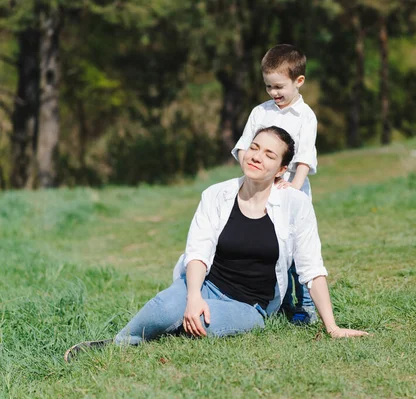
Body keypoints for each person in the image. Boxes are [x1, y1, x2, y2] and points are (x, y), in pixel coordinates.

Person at [64, 126, 367, 362]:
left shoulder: (295, 205)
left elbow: (312, 269)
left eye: (269, 155)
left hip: (251, 305)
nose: (257, 156)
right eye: (254, 147)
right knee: (162, 307)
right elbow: (198, 250)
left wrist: (332, 327)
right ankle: (117, 344)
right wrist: (194, 295)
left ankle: (171, 325)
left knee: (202, 327)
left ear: (281, 170)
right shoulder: (216, 195)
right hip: (206, 284)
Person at [232, 44, 318, 324]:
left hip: (291, 190)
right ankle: (277, 302)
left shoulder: (305, 117)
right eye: (269, 87)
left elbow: (304, 157)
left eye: (279, 86)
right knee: (271, 248)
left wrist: (293, 187)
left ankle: (305, 306)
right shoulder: (260, 113)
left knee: (296, 251)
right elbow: (244, 147)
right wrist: (253, 174)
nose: (274, 93)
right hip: (260, 192)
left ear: (299, 81)